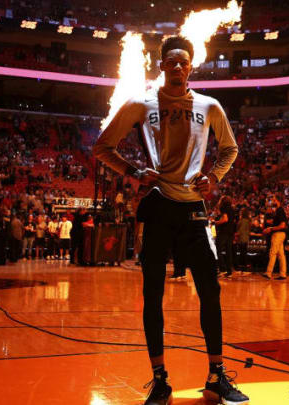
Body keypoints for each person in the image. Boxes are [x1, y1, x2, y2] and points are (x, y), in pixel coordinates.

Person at [93, 35, 247, 405]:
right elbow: (102, 147)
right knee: (153, 295)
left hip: (194, 208)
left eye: (183, 62)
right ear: (161, 65)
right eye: (171, 62)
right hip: (159, 205)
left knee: (210, 291)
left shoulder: (210, 106)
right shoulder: (141, 103)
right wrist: (133, 170)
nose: (177, 67)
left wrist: (215, 176)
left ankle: (216, 374)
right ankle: (160, 379)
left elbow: (230, 148)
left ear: (192, 65)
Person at [262, 194, 288, 280]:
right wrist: (272, 222)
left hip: (278, 234)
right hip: (281, 234)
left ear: (277, 201)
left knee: (272, 253)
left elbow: (282, 225)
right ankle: (283, 274)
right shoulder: (279, 210)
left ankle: (269, 273)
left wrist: (270, 228)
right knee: (281, 255)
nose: (272, 201)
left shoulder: (280, 210)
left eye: (273, 199)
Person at [214, 195, 235, 278]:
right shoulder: (232, 209)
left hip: (224, 231)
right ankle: (229, 271)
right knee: (228, 251)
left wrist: (216, 222)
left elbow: (225, 219)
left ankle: (222, 269)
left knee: (218, 250)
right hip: (230, 232)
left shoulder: (224, 208)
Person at [235, 208, 251, 272]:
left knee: (242, 251)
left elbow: (240, 230)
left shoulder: (242, 220)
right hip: (246, 237)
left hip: (241, 237)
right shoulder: (248, 220)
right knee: (244, 251)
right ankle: (244, 264)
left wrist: (236, 235)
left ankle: (242, 264)